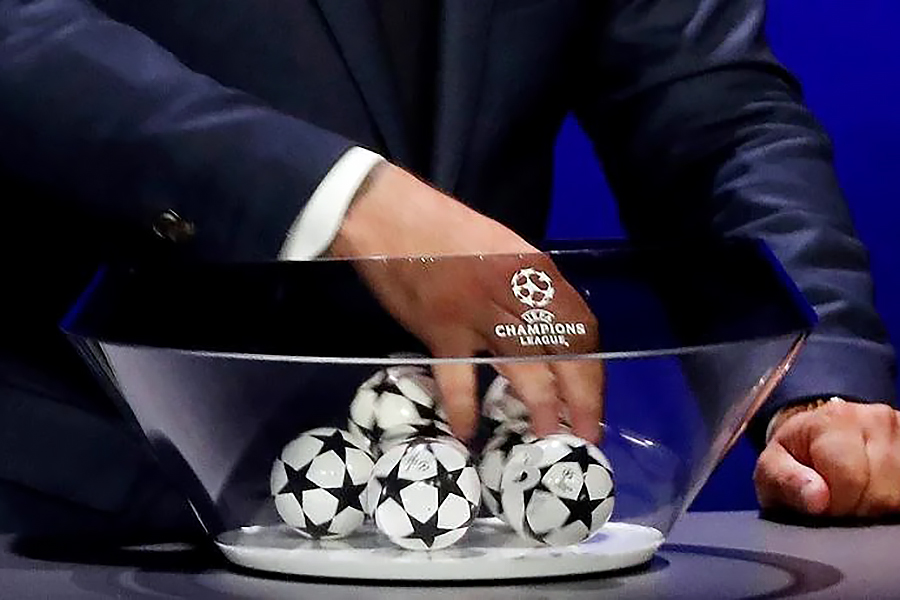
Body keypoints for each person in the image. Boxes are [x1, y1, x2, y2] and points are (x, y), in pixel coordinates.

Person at [0, 0, 897, 537]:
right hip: (86, 508)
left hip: (476, 525)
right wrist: (335, 198)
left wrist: (819, 384)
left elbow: (717, 116)